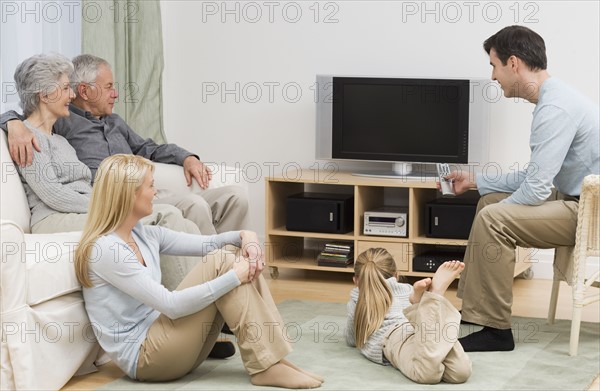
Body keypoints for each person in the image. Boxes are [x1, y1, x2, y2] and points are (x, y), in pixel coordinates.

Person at [10, 53, 235, 358]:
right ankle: (188, 319)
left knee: (170, 215)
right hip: (54, 218)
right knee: (164, 215)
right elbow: (54, 195)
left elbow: (140, 152)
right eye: (65, 88)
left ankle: (207, 311)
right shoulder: (29, 137)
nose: (71, 94)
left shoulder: (59, 138)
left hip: (82, 209)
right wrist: (111, 207)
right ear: (44, 94)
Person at [74, 154, 324, 388]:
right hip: (146, 358)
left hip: (170, 345)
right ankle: (266, 365)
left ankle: (273, 360)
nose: (156, 192)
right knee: (223, 264)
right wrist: (234, 276)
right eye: (151, 186)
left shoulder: (143, 234)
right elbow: (170, 305)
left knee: (230, 255)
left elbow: (207, 243)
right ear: (129, 195)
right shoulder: (106, 250)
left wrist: (244, 237)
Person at [441, 26, 600, 352]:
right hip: (577, 199)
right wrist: (475, 181)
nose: (493, 76)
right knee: (490, 204)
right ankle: (477, 313)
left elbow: (537, 189)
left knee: (493, 218)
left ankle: (497, 332)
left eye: (494, 65)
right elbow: (534, 176)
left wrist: (502, 213)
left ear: (513, 63)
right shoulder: (555, 98)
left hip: (591, 213)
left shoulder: (555, 109)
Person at [1, 54, 248, 236]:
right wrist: (11, 122)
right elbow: (30, 116)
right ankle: (209, 278)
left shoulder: (96, 128)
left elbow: (149, 148)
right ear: (84, 92)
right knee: (186, 209)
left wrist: (187, 157)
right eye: (109, 87)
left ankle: (219, 268)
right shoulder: (53, 128)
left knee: (233, 196)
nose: (115, 94)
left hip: (132, 195)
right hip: (101, 204)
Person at [346, 248, 471, 384]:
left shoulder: (357, 297)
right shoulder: (407, 289)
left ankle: (434, 296)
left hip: (394, 338)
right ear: (397, 275)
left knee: (427, 374)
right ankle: (427, 301)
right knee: (461, 372)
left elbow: (352, 339)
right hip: (417, 327)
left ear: (356, 280)